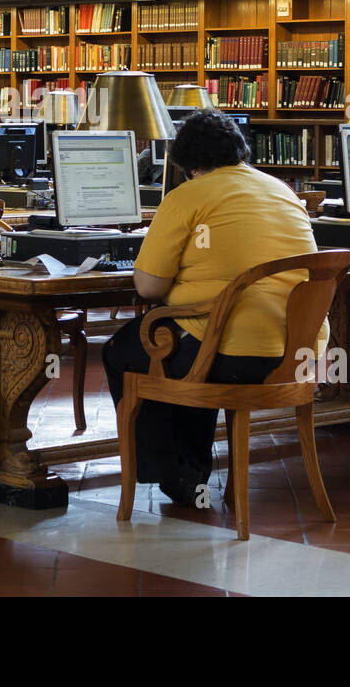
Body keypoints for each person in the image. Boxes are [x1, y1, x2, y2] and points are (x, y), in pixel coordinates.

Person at [102, 109, 325, 507]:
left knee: (132, 349)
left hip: (231, 355)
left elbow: (148, 285)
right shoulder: (282, 190)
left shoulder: (187, 196)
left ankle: (176, 474)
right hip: (297, 354)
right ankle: (188, 474)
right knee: (187, 340)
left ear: (186, 164)